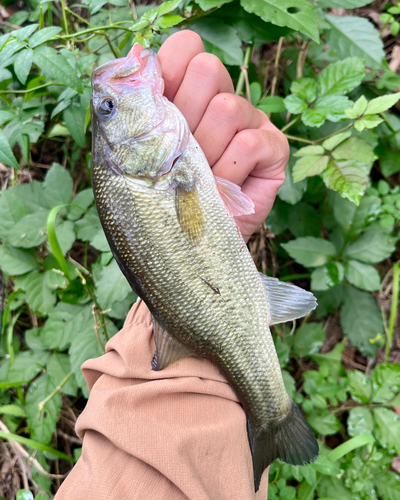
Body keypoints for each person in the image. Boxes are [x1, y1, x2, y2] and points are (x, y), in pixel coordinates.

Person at [55, 30, 289, 500]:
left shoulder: (158, 166)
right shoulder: (151, 167)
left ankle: (270, 418)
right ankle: (273, 417)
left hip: (201, 281)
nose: (110, 98)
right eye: (109, 109)